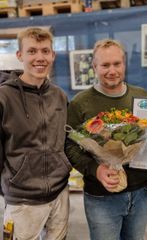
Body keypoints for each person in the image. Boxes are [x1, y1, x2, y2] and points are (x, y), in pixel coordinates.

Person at [65, 38, 147, 240]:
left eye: (117, 64)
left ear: (124, 64)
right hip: (100, 197)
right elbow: (69, 145)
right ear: (94, 67)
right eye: (105, 65)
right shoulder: (81, 103)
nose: (112, 70)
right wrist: (95, 169)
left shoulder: (141, 97)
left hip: (140, 193)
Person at [0, 27, 72, 239]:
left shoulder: (59, 95)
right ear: (20, 55)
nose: (39, 57)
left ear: (53, 55)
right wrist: (10, 186)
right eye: (32, 51)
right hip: (22, 200)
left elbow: (66, 140)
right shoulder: (4, 98)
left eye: (45, 51)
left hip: (60, 192)